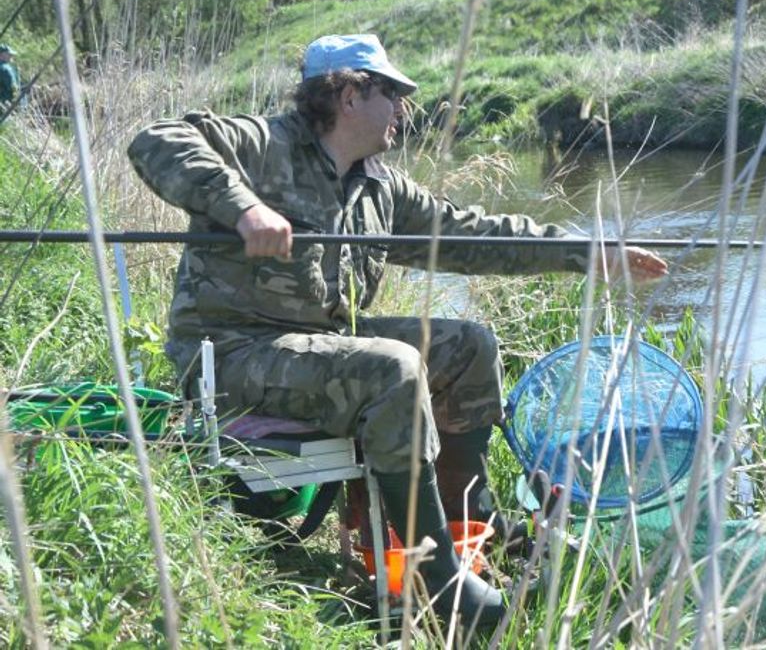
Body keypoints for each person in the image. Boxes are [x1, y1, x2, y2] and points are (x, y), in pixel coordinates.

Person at [127, 33, 667, 629]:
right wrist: (245, 209)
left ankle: (468, 523)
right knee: (393, 366)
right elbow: (157, 139)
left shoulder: (380, 188)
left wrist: (586, 253)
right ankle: (436, 581)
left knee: (467, 346)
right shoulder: (263, 144)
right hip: (232, 354)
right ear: (350, 95)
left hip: (322, 344)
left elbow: (474, 234)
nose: (405, 107)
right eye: (393, 92)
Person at [0, 44, 20, 112]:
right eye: (8, 54)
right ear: (1, 55)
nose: (11, 56)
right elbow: (13, 88)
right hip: (5, 105)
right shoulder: (6, 69)